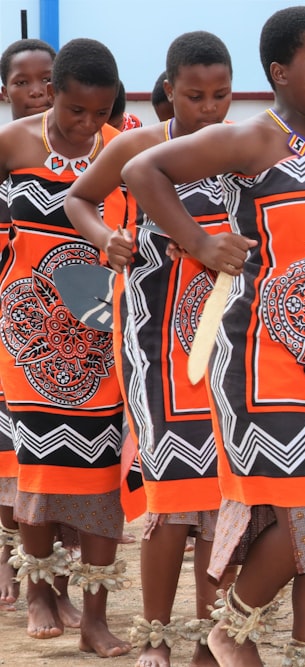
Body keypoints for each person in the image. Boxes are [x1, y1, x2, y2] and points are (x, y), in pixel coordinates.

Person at [122, 7, 305, 665]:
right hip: (265, 364)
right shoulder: (256, 139)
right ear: (281, 72)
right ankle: (229, 628)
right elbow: (146, 173)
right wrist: (199, 240)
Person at [65, 30, 235, 667]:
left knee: (223, 498)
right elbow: (77, 200)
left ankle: (211, 638)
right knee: (172, 491)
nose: (208, 109)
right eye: (195, 96)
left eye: (220, 95)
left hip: (227, 343)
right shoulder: (139, 147)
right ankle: (159, 638)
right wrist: (109, 236)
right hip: (153, 339)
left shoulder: (243, 150)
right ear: (169, 90)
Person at [0, 37, 129, 656]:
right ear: (52, 94)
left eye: (100, 113)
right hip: (28, 335)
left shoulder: (121, 147)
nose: (87, 125)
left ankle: (96, 611)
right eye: (76, 111)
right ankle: (42, 590)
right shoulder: (14, 143)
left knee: (101, 472)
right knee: (39, 469)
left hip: (102, 334)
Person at [0, 37, 82, 623]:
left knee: (73, 463)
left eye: (46, 80)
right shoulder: (9, 145)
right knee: (21, 456)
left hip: (85, 325)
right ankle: (32, 585)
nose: (36, 92)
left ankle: (63, 584)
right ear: (4, 89)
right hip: (19, 319)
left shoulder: (101, 143)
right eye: (23, 82)